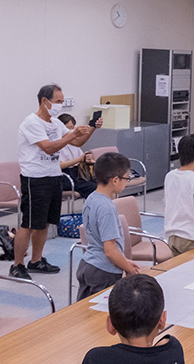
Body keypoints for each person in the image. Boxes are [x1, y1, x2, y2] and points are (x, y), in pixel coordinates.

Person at [10, 84, 99, 280]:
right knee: (30, 223)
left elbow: (76, 142)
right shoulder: (31, 123)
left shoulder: (55, 123)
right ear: (45, 101)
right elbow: (48, 148)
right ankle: (17, 265)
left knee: (44, 223)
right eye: (58, 102)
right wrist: (73, 134)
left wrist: (91, 128)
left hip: (53, 177)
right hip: (35, 178)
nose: (61, 105)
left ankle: (36, 260)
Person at [76, 152, 139, 301]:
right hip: (103, 271)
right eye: (126, 178)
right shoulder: (107, 207)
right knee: (101, 317)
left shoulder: (91, 198)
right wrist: (128, 269)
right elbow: (110, 251)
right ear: (115, 180)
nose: (127, 182)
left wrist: (123, 260)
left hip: (88, 264)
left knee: (85, 315)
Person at [82, 274, 184, 364]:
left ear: (110, 325)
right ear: (162, 321)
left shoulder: (97, 358)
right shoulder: (173, 350)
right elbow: (166, 344)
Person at [58, 113, 98, 198]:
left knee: (100, 185)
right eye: (69, 128)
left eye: (73, 128)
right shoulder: (57, 144)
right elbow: (59, 165)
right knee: (94, 188)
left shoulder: (74, 143)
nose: (72, 130)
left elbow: (81, 157)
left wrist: (87, 159)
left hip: (77, 173)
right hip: (65, 175)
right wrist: (79, 159)